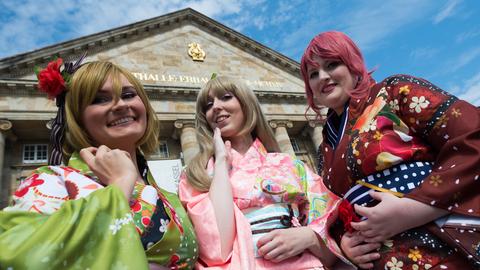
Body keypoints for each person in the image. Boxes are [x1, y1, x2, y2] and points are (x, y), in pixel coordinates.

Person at [300, 31, 480, 269]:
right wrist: (345, 244)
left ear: (353, 64)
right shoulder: (325, 146)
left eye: (332, 64)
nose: (323, 77)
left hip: (440, 247)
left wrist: (414, 209)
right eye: (313, 74)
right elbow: (333, 211)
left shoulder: (395, 92)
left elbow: (472, 135)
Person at [0, 59, 198, 269]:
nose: (121, 104)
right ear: (78, 118)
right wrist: (119, 186)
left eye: (129, 94)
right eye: (99, 99)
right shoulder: (51, 181)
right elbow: (22, 256)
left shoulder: (169, 197)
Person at [178, 76, 344, 269]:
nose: (215, 106)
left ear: (246, 103)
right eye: (208, 105)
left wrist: (309, 238)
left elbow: (334, 253)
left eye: (225, 97)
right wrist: (221, 162)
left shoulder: (291, 164)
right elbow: (215, 250)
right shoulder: (195, 174)